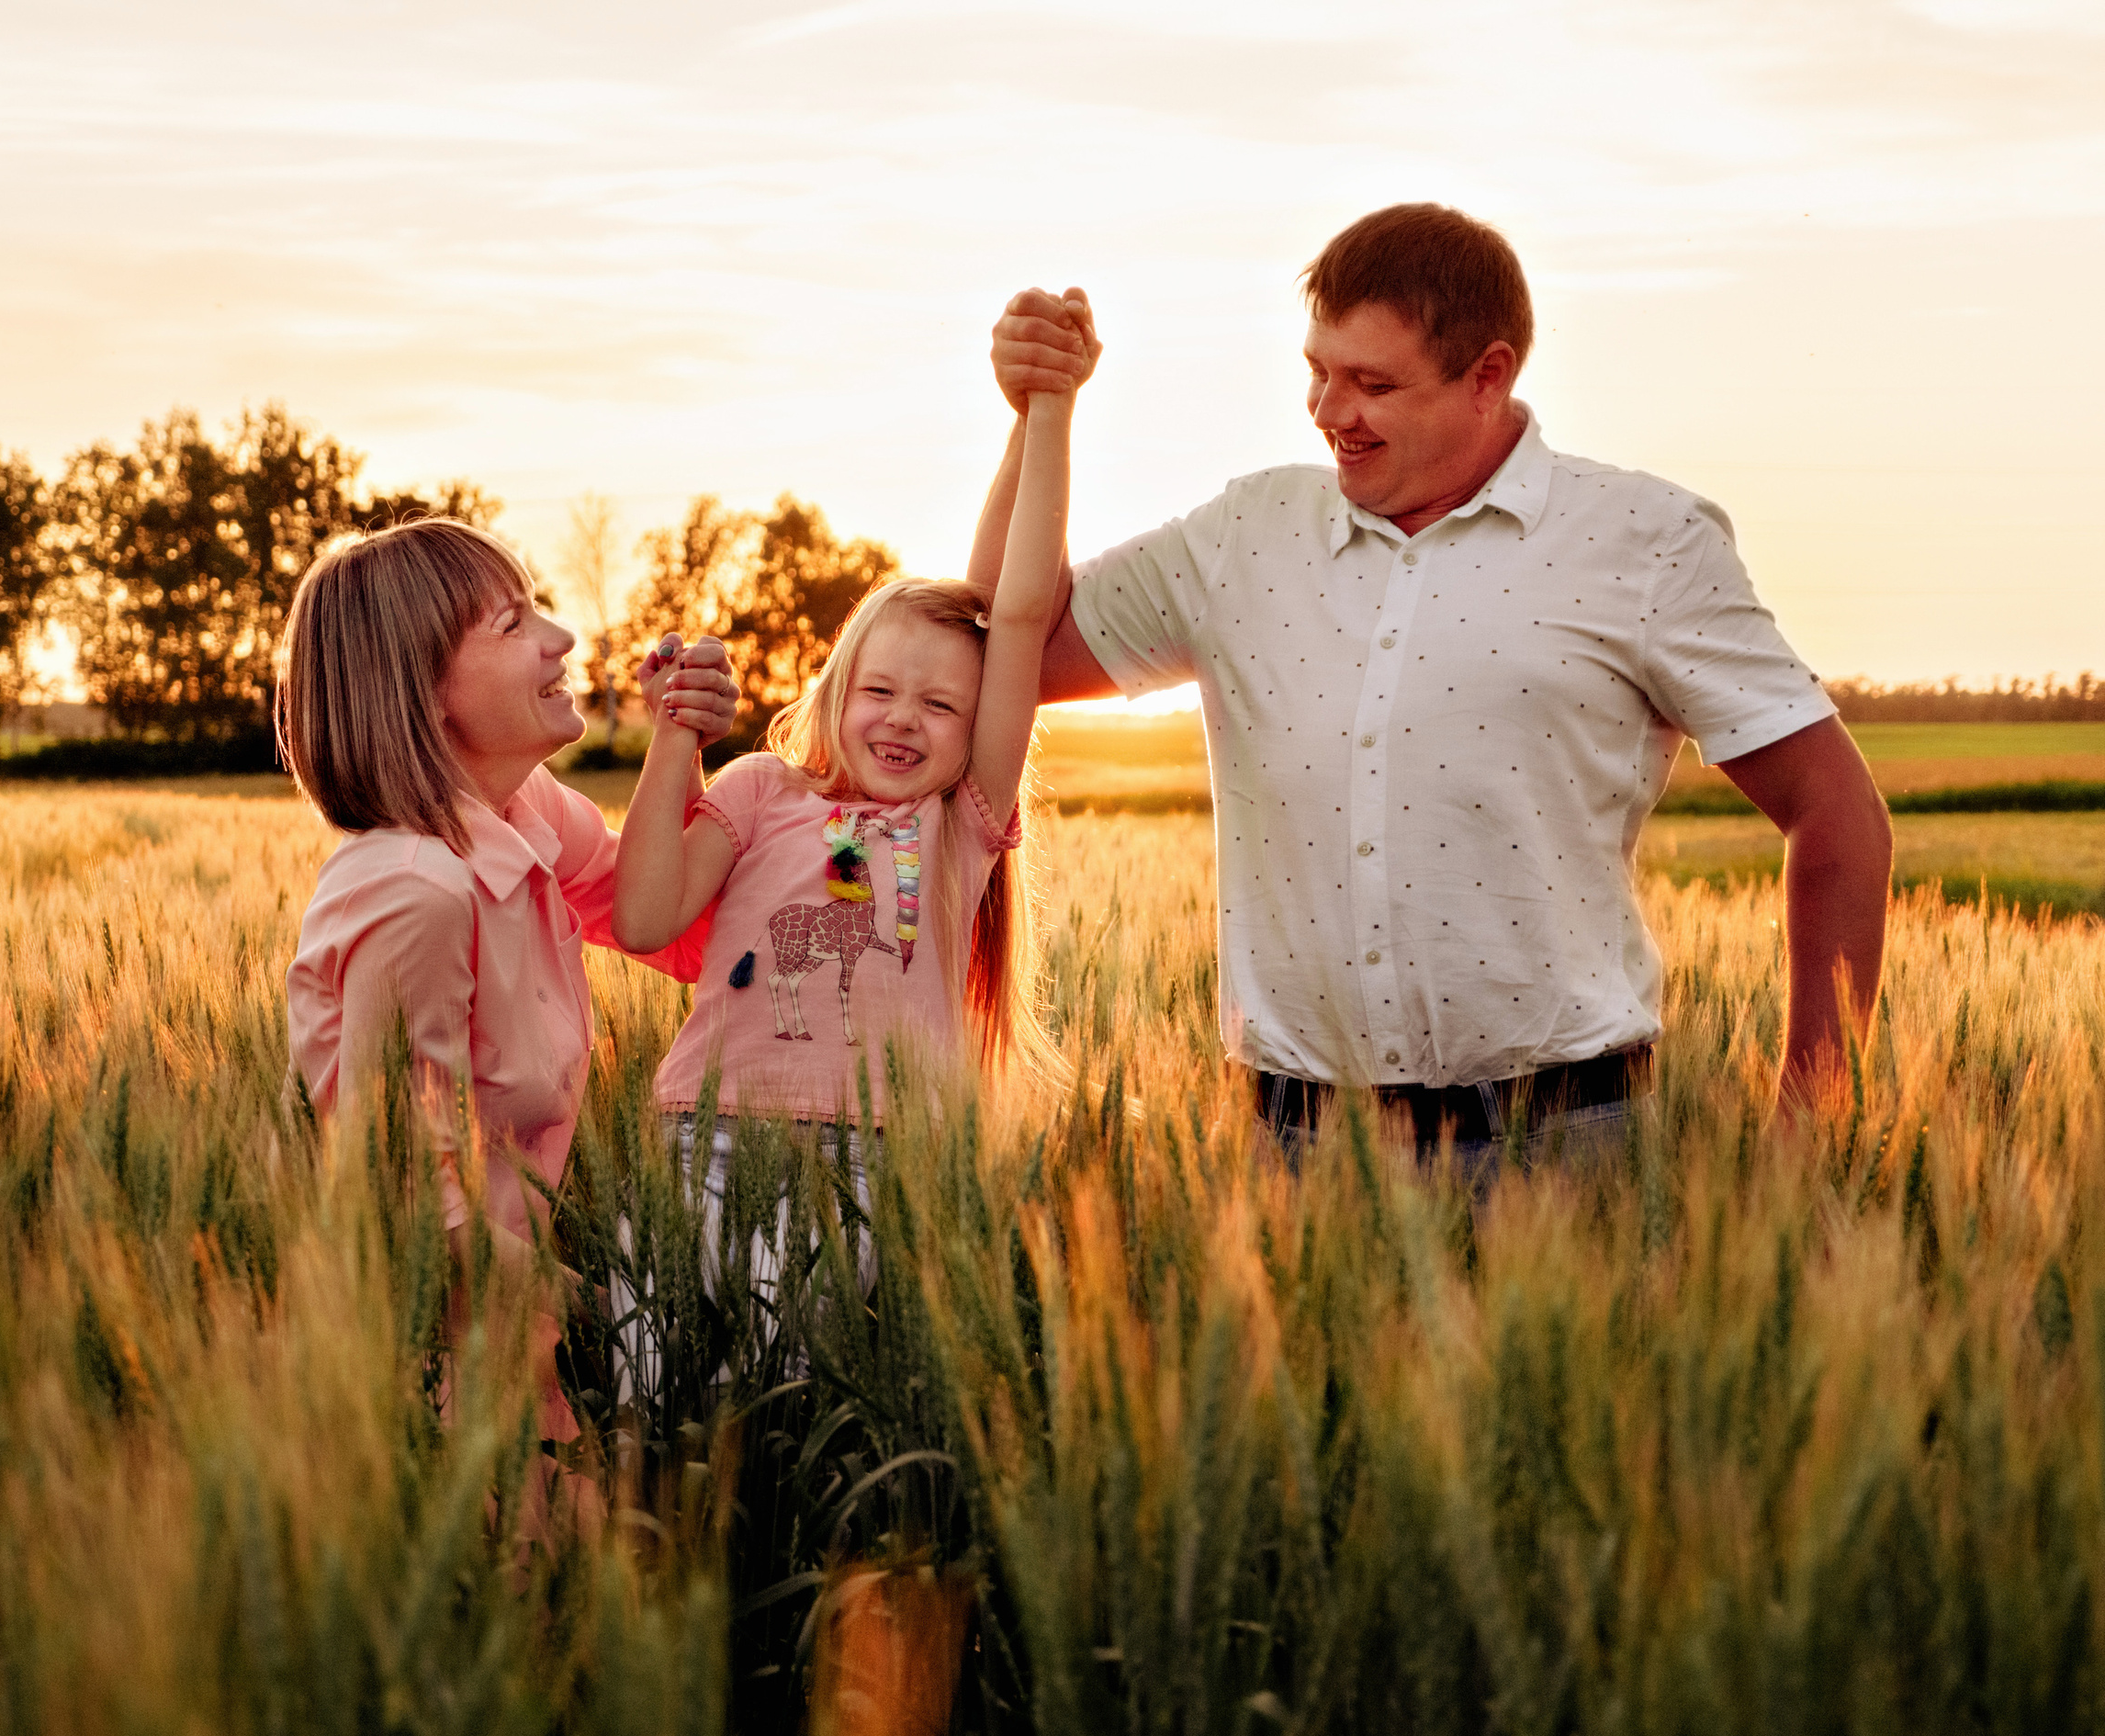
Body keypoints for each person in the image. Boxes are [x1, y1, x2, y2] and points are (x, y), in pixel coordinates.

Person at [980, 205, 1893, 1172]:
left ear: (1487, 377)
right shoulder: (1244, 534)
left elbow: (1836, 812)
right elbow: (1005, 643)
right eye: (1318, 370)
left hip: (1562, 1149)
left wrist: (1814, 1127)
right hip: (1288, 1154)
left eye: (1373, 384)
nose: (1329, 410)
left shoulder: (1644, 541)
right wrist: (1038, 418)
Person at [611, 297, 1094, 1370]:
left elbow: (1016, 610)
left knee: (783, 1389)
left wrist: (1044, 413)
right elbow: (643, 916)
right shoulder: (759, 790)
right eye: (879, 689)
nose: (903, 719)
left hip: (868, 1156)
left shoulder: (955, 826)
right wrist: (675, 739)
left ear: (978, 729)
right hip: (699, 1136)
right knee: (651, 1386)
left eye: (941, 705)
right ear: (835, 690)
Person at [276, 515, 740, 1447]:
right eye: (513, 622)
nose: (561, 638)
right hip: (419, 1385)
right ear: (424, 690)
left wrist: (679, 744)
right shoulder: (416, 894)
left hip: (513, 1349)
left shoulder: (527, 813)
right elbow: (412, 1204)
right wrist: (625, 1317)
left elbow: (682, 932)